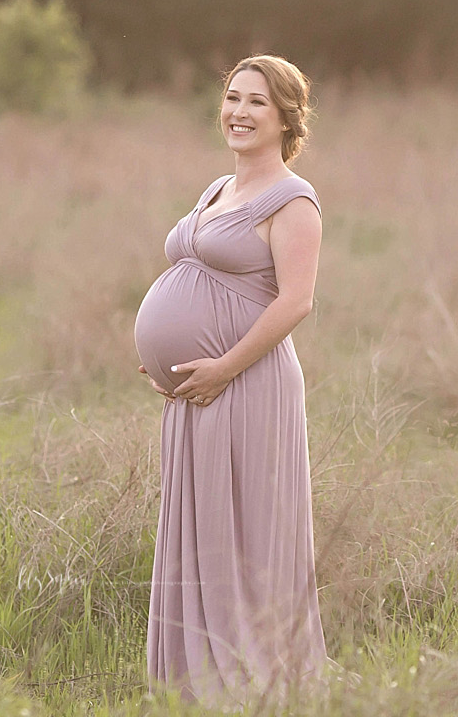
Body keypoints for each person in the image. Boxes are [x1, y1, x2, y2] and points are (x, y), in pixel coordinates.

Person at [132, 54, 327, 707]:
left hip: (248, 386)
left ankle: (256, 685)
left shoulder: (293, 202)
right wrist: (164, 355)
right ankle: (192, 682)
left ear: (284, 120)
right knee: (198, 527)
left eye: (257, 104)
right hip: (195, 391)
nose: (239, 113)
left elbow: (295, 302)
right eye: (233, 98)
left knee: (243, 533)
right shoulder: (217, 188)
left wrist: (221, 365)